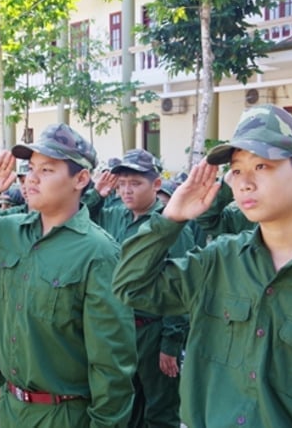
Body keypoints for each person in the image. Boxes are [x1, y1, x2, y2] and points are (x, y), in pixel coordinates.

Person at [112, 104, 292, 427]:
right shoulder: (218, 262)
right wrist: (171, 217)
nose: (244, 182)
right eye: (236, 169)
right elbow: (129, 286)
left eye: (261, 166)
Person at [0, 123, 137, 428]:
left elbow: (111, 363)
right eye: (30, 168)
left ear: (81, 179)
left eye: (46, 170)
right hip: (11, 406)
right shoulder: (5, 231)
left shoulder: (98, 253)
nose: (31, 178)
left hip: (64, 414)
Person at [83, 148, 199, 428]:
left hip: (153, 329)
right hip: (121, 329)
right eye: (121, 184)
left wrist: (170, 343)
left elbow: (181, 290)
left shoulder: (172, 226)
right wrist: (97, 194)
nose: (126, 191)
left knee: (160, 408)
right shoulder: (117, 216)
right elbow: (81, 218)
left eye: (135, 183)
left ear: (156, 184)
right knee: (126, 402)